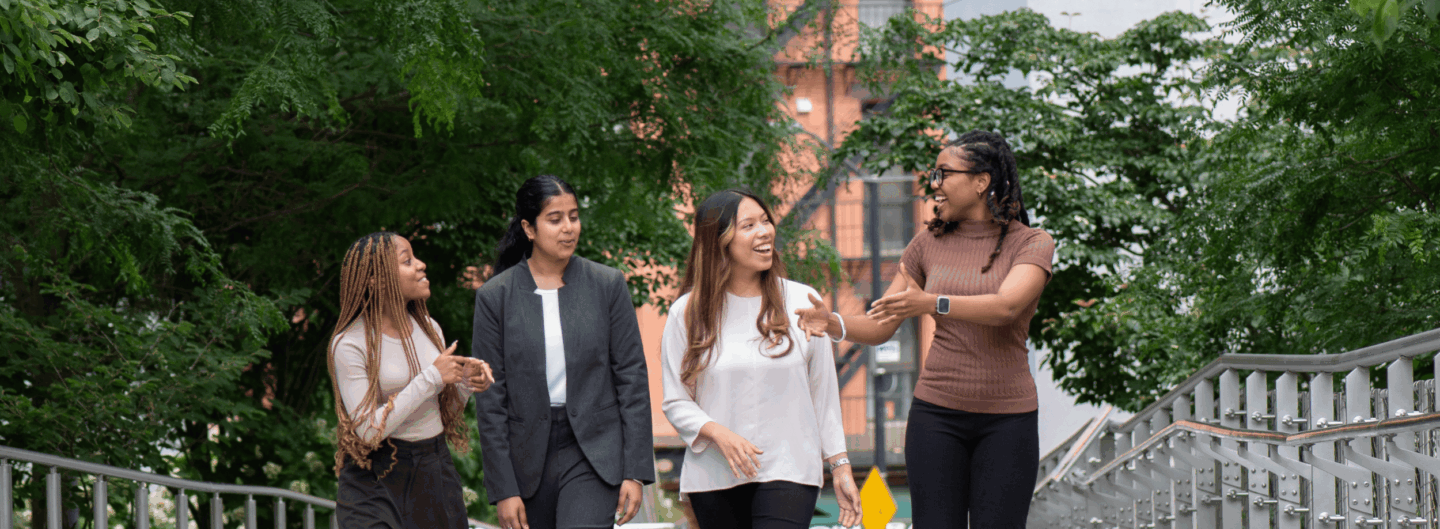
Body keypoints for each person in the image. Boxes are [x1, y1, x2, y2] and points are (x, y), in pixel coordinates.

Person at [797, 130, 1055, 528]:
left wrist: (933, 302)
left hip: (1008, 419)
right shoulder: (926, 244)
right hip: (937, 416)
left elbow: (1006, 307)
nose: (934, 185)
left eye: (944, 174)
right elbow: (884, 323)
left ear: (981, 181)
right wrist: (835, 323)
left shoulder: (1032, 243)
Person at [660, 189, 862, 529]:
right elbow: (676, 401)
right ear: (719, 240)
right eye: (749, 225)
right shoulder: (687, 312)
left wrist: (840, 465)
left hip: (791, 469)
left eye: (766, 221)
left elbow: (823, 393)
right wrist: (721, 435)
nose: (765, 232)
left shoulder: (802, 300)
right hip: (714, 474)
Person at [472, 175, 655, 529]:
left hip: (593, 449)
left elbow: (632, 378)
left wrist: (635, 471)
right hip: (527, 457)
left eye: (573, 216)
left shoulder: (607, 284)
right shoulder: (495, 297)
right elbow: (491, 400)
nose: (568, 228)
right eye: (555, 219)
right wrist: (503, 489)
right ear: (529, 228)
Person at [327, 231, 495, 529]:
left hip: (433, 469)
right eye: (407, 260)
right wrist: (432, 377)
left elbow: (439, 411)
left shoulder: (430, 328)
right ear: (376, 279)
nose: (421, 265)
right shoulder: (349, 344)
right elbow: (366, 430)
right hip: (374, 478)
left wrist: (465, 382)